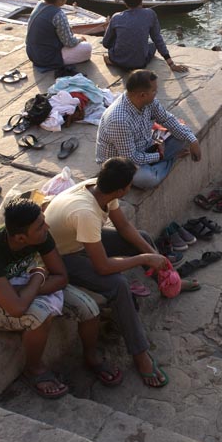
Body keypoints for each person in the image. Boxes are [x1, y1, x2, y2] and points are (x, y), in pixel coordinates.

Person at [45, 158, 179, 388]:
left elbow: (125, 228)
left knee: (143, 238)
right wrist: (145, 258)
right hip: (60, 257)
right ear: (122, 190)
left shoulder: (101, 189)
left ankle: (166, 278)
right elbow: (103, 267)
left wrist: (159, 261)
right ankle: (139, 354)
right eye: (129, 185)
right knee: (118, 285)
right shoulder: (86, 212)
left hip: (78, 240)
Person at [0, 196, 116, 398]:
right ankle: (33, 369)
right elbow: (16, 308)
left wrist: (25, 290)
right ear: (20, 239)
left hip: (19, 287)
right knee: (39, 317)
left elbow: (61, 277)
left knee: (89, 309)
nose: (47, 226)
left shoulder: (41, 234)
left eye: (43, 221)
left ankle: (90, 356)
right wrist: (37, 278)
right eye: (40, 226)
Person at [96, 69, 201, 189]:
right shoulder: (119, 120)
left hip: (146, 147)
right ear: (142, 95)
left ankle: (160, 163)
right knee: (148, 179)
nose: (156, 93)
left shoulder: (150, 102)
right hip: (122, 164)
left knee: (183, 136)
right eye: (154, 91)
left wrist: (193, 140)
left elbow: (168, 119)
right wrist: (160, 155)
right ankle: (169, 160)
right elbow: (130, 159)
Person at [102, 0, 187, 72]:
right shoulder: (150, 14)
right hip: (139, 64)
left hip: (117, 59)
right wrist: (171, 64)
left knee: (117, 39)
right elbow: (157, 39)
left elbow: (106, 43)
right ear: (141, 1)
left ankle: (115, 62)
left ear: (125, 3)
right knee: (152, 44)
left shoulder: (116, 17)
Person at [25, 0, 92, 74]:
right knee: (87, 48)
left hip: (32, 53)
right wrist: (80, 39)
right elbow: (69, 43)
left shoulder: (40, 4)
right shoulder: (58, 14)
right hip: (47, 58)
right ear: (59, 0)